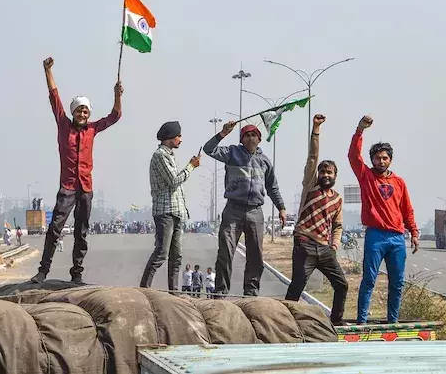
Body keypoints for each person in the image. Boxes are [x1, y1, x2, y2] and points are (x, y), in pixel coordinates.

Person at [31, 57, 123, 284]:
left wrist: (118, 95)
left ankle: (77, 274)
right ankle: (43, 271)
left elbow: (115, 116)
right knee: (55, 229)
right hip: (68, 187)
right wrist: (48, 70)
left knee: (82, 233)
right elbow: (54, 97)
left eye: (86, 111)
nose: (82, 114)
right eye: (79, 111)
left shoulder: (93, 129)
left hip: (86, 189)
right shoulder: (63, 123)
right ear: (73, 112)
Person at [204, 121, 286, 296]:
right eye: (246, 135)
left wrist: (281, 207)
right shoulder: (232, 153)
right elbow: (208, 149)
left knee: (256, 255)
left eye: (253, 135)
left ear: (259, 139)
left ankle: (251, 292)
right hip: (233, 210)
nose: (250, 138)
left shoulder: (264, 161)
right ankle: (220, 292)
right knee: (226, 251)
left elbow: (272, 187)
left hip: (255, 211)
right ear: (242, 139)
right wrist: (222, 134)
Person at [350, 115, 419, 325]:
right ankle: (361, 321)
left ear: (390, 159)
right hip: (376, 236)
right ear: (372, 160)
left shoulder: (399, 182)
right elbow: (353, 156)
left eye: (385, 158)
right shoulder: (366, 176)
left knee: (397, 282)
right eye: (378, 158)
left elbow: (407, 209)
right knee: (369, 279)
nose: (381, 161)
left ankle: (393, 321)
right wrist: (360, 130)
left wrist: (414, 233)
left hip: (397, 238)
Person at [284, 114, 348, 325]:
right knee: (298, 284)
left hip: (325, 249)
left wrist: (335, 245)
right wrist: (316, 129)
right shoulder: (310, 187)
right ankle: (285, 322)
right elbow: (313, 156)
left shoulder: (337, 199)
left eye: (329, 172)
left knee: (342, 285)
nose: (326, 175)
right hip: (305, 244)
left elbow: (337, 225)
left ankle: (336, 322)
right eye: (323, 171)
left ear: (335, 176)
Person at [138, 121, 200, 290]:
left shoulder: (169, 155)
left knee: (176, 256)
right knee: (161, 253)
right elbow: (173, 181)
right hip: (165, 212)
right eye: (178, 136)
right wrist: (191, 167)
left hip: (177, 211)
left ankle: (174, 291)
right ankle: (144, 288)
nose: (181, 139)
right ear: (169, 137)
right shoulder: (160, 155)